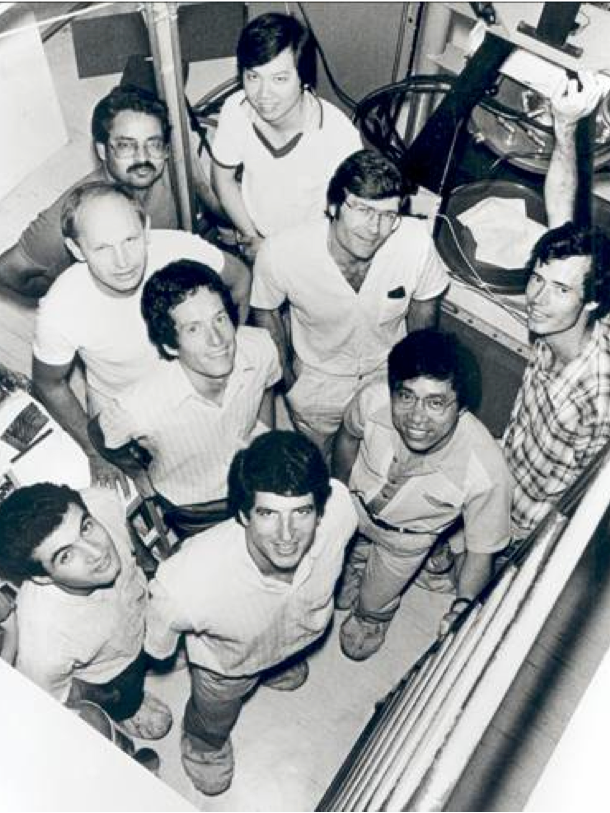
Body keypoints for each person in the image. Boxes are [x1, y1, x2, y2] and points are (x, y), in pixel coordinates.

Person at [145, 430, 357, 795]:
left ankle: (272, 667)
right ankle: (202, 747)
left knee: (280, 653)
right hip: (227, 669)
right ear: (243, 515)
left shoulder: (341, 511)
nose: (287, 534)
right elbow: (159, 648)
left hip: (293, 640)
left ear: (320, 509)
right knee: (214, 715)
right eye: (268, 514)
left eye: (302, 512)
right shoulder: (184, 584)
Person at [31, 182, 251, 491]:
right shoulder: (60, 308)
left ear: (146, 227)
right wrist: (96, 452)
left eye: (131, 239)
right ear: (76, 249)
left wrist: (225, 349)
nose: (123, 262)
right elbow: (48, 383)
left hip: (196, 385)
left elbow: (240, 279)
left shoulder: (181, 249)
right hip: (125, 407)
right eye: (103, 248)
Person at [251, 148, 449, 460]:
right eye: (362, 209)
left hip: (386, 376)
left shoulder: (416, 243)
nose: (375, 228)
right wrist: (290, 384)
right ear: (333, 206)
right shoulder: (281, 253)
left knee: (377, 457)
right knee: (320, 460)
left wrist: (409, 382)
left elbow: (425, 314)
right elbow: (266, 311)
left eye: (388, 215)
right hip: (317, 383)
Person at [332, 329, 512, 660]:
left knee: (374, 600)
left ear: (460, 408)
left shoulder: (487, 471)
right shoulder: (372, 399)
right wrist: (337, 492)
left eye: (436, 402)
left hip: (406, 542)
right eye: (406, 396)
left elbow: (481, 552)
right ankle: (352, 570)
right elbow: (347, 436)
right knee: (338, 566)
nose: (417, 417)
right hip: (352, 506)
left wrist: (463, 604)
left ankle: (372, 617)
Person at [502, 72, 610, 543]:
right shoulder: (558, 315)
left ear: (592, 303)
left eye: (560, 290)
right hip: (505, 475)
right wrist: (565, 127)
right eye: (537, 280)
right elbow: (562, 206)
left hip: (533, 526)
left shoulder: (599, 392)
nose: (538, 298)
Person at [96, 260, 280, 513]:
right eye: (194, 329)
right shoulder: (139, 406)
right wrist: (135, 472)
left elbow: (267, 384)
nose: (217, 339)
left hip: (253, 484)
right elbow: (100, 433)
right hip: (194, 506)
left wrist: (265, 437)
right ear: (171, 345)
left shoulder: (259, 348)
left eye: (220, 318)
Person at [0, 483, 173, 744]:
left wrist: (146, 563)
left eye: (86, 527)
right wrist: (107, 696)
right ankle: (128, 707)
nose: (97, 552)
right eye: (66, 555)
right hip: (115, 671)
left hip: (143, 613)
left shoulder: (100, 504)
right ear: (42, 577)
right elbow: (57, 695)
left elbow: (116, 519)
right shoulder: (43, 642)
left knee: (166, 644)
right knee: (132, 701)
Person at [0, 85, 207, 298]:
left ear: (165, 150)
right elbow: (8, 271)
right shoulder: (66, 218)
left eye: (153, 144)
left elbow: (204, 191)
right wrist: (71, 297)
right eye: (126, 146)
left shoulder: (170, 167)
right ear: (102, 150)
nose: (143, 158)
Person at [211, 12, 361, 261]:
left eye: (279, 79)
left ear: (304, 78)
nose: (263, 94)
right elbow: (223, 180)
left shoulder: (339, 138)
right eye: (253, 77)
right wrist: (251, 236)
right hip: (254, 236)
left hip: (309, 251)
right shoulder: (236, 110)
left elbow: (347, 221)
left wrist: (280, 254)